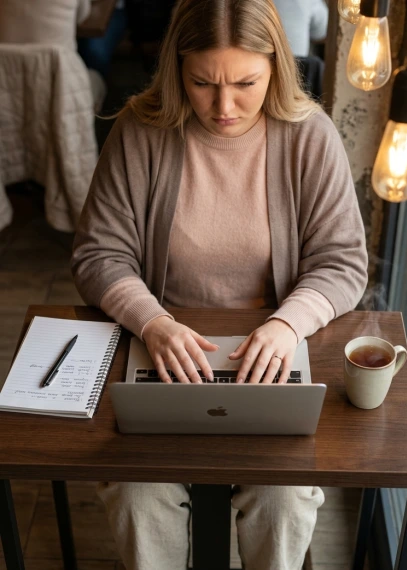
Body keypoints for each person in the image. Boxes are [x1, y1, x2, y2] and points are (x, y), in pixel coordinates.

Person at [71, 0, 368, 568]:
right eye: (203, 82)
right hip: (163, 349)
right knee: (138, 496)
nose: (224, 106)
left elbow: (343, 261)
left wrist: (288, 323)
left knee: (282, 499)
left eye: (246, 83)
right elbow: (97, 254)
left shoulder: (311, 136)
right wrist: (152, 321)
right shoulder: (140, 130)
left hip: (273, 353)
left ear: (276, 68)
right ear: (177, 70)